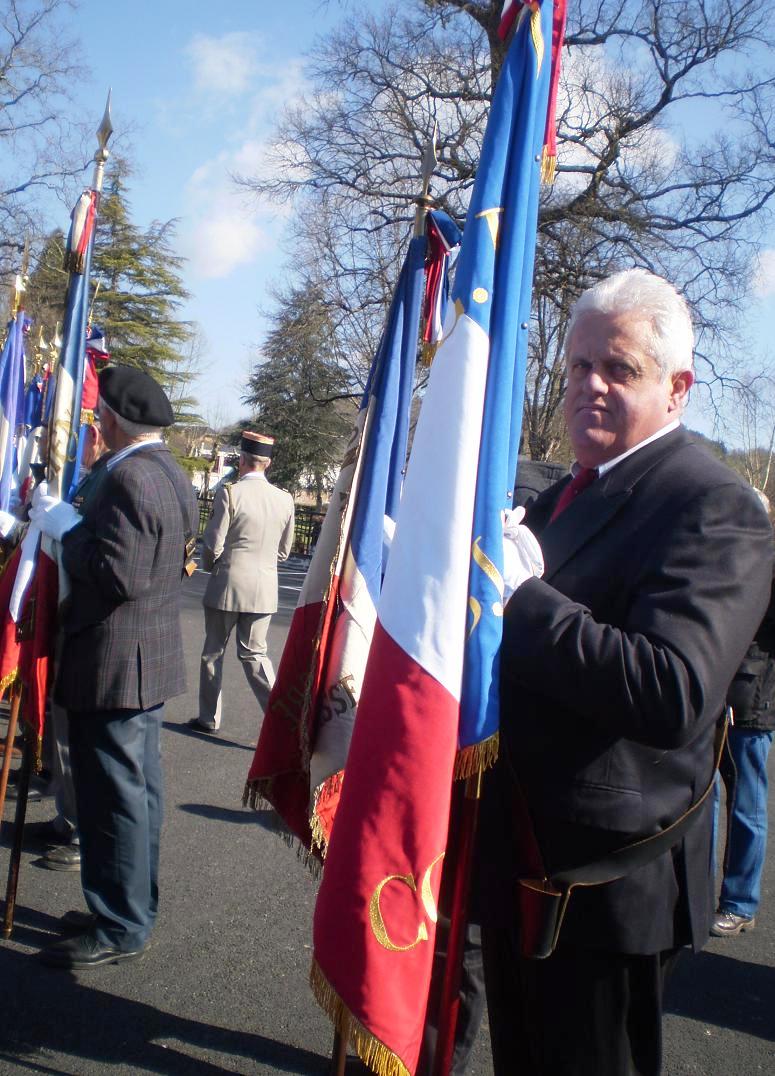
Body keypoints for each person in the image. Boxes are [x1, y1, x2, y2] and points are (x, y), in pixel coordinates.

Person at [480, 268, 773, 1075]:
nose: (590, 386)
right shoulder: (556, 497)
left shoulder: (712, 505)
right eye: (578, 366)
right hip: (519, 846)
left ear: (677, 389)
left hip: (606, 883)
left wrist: (522, 599)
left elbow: (669, 690)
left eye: (620, 369)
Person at [29, 365, 197, 970]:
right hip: (141, 660)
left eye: (100, 417)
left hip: (115, 661)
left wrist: (65, 528)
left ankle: (122, 923)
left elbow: (118, 575)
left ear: (116, 422)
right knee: (137, 796)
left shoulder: (130, 480)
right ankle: (129, 908)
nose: (96, 423)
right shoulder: (169, 474)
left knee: (114, 800)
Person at [31, 418, 112, 871]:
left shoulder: (112, 480)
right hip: (68, 616)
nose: (83, 442)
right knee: (63, 730)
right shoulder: (87, 477)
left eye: (92, 432)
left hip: (90, 626)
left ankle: (84, 833)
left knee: (82, 739)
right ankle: (67, 815)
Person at [189, 430, 294, 735]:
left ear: (244, 460)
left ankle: (209, 718)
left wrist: (211, 566)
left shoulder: (231, 493)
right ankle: (281, 722)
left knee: (214, 653)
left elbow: (213, 543)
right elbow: (284, 552)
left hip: (228, 584)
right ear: (268, 464)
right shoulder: (284, 499)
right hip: (264, 589)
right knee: (255, 656)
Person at [712, 494, 775, 937]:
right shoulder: (720, 555)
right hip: (714, 694)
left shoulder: (766, 559)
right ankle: (697, 892)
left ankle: (739, 903)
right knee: (704, 798)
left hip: (755, 701)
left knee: (746, 805)